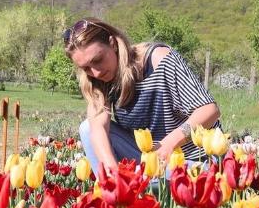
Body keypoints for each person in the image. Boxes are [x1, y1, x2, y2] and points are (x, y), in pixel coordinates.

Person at [63, 18, 221, 174]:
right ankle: (113, 191)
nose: (96, 72)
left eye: (98, 60)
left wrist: (169, 144)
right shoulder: (98, 80)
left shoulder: (158, 59)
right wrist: (113, 175)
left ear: (112, 43)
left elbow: (209, 110)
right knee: (87, 128)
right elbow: (97, 128)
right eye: (86, 68)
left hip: (191, 161)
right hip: (149, 161)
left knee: (144, 175)